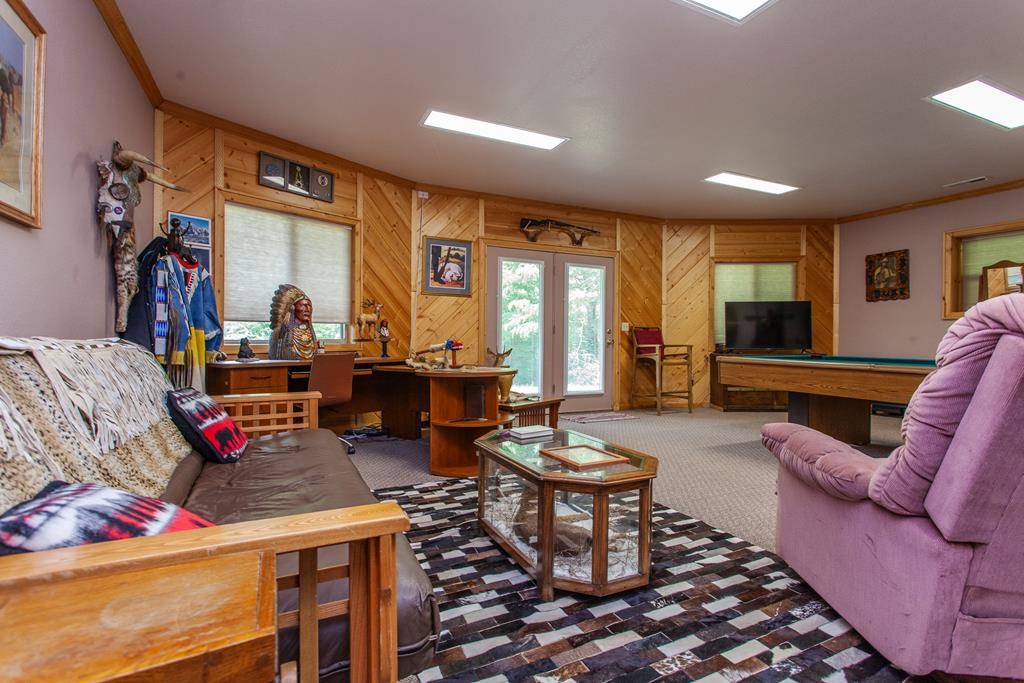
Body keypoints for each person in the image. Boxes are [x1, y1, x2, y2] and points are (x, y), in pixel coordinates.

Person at [268, 284, 317, 360]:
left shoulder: (311, 332)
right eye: (303, 305)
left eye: (309, 305)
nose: (307, 309)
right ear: (292, 308)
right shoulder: (280, 333)